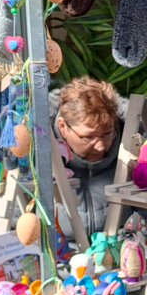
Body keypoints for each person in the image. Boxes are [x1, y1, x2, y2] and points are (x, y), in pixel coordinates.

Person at [52, 77, 122, 241]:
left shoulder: (130, 151)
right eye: (89, 137)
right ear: (63, 127)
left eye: (107, 134)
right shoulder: (37, 155)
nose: (101, 147)